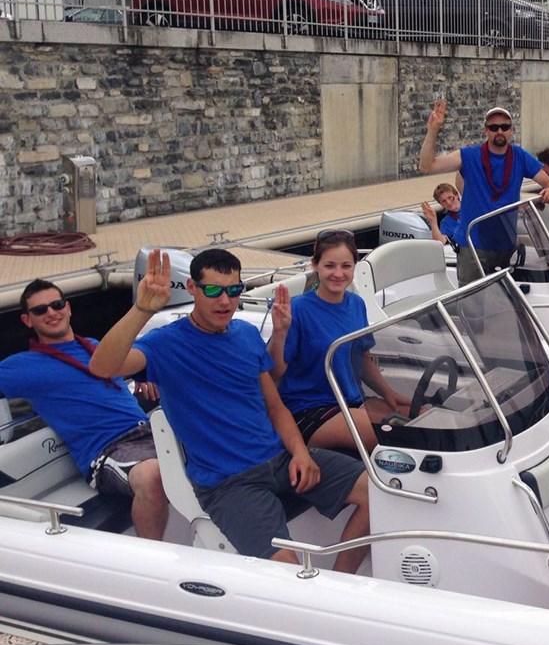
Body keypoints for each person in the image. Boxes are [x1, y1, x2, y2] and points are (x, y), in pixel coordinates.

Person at [89, 249, 371, 572]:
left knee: (378, 493)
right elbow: (102, 367)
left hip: (279, 461)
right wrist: (141, 309)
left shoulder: (247, 335)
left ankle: (343, 579)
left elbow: (275, 406)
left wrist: (300, 453)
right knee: (287, 570)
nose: (225, 301)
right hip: (230, 483)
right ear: (192, 289)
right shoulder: (165, 344)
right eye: (213, 290)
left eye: (234, 290)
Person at [0, 280, 168, 540]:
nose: (51, 313)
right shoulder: (23, 366)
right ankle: (152, 559)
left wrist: (144, 375)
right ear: (27, 320)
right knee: (152, 476)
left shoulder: (92, 345)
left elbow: (130, 364)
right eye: (40, 310)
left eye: (57, 305)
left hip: (147, 431)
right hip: (108, 450)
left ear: (68, 308)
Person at [269, 230, 412, 453]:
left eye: (346, 266)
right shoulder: (298, 310)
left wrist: (389, 394)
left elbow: (363, 360)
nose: (338, 273)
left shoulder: (357, 304)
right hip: (310, 409)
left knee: (420, 414)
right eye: (329, 266)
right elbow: (272, 373)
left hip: (351, 402)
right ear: (315, 265)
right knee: (395, 436)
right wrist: (279, 332)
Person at [418, 100, 549, 284]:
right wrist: (433, 130)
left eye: (504, 127)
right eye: (494, 127)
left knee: (504, 298)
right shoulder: (469, 155)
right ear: (486, 131)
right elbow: (427, 165)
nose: (499, 131)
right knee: (472, 299)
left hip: (506, 245)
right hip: (473, 245)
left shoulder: (520, 156)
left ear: (512, 130)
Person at [420, 182, 462, 247]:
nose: (448, 202)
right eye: (443, 201)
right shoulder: (445, 222)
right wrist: (432, 220)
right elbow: (441, 242)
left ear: (457, 196)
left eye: (450, 197)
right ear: (441, 204)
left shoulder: (472, 208)